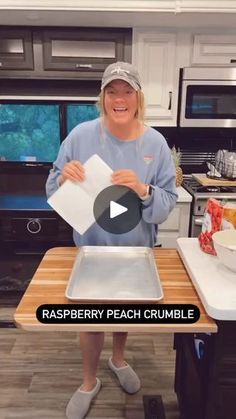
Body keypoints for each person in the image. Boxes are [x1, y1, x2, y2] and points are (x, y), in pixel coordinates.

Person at [46, 61, 178, 419]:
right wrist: (62, 179)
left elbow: (166, 204)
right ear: (102, 98)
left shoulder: (156, 143)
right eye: (112, 91)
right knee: (90, 319)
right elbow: (52, 183)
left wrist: (143, 188)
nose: (120, 98)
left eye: (127, 91)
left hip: (136, 252)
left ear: (138, 97)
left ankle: (118, 360)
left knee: (123, 315)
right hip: (91, 249)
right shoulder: (80, 136)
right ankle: (90, 381)